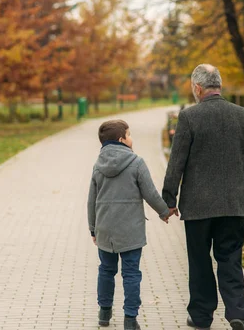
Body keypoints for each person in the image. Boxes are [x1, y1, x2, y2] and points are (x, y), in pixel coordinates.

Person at [162, 64, 244, 330]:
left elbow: (176, 162)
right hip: (233, 206)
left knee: (200, 261)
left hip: (198, 207)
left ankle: (202, 316)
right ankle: (237, 313)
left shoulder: (189, 117)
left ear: (197, 88)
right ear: (220, 86)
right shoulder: (243, 115)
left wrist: (169, 200)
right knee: (230, 259)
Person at [87, 119, 177, 330]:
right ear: (122, 140)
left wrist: (93, 228)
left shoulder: (98, 165)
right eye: (129, 134)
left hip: (105, 229)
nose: (131, 138)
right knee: (131, 273)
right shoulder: (136, 163)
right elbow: (150, 193)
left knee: (106, 270)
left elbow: (91, 200)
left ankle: (104, 312)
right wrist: (164, 212)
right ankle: (130, 318)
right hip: (131, 229)